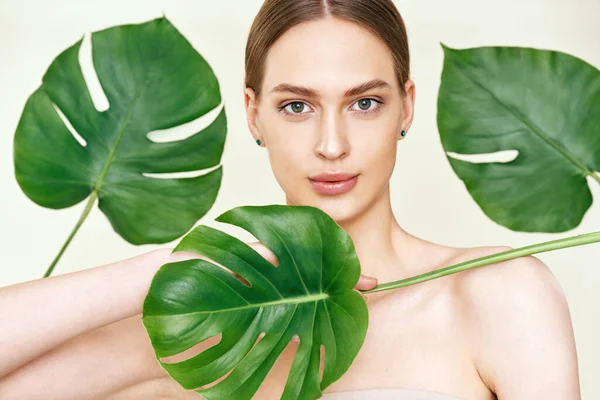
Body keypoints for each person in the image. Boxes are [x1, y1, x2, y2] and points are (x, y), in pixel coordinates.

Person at [0, 0, 580, 399]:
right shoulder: (209, 327)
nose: (332, 145)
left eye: (365, 103)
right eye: (297, 106)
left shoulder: (497, 294)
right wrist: (167, 268)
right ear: (254, 115)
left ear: (407, 105)